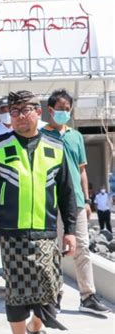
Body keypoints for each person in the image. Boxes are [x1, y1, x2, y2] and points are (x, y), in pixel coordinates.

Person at [0, 90, 77, 334]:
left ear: (39, 112)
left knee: (51, 292)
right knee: (17, 294)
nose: (21, 116)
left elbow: (67, 192)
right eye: (15, 111)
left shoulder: (56, 145)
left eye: (27, 110)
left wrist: (70, 230)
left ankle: (37, 327)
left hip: (46, 232)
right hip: (11, 233)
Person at [42, 89, 108, 315]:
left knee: (82, 248)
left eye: (66, 108)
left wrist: (87, 200)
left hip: (77, 202)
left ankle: (87, 296)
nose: (63, 112)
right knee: (52, 250)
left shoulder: (76, 136)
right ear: (50, 110)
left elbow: (82, 171)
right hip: (51, 201)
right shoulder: (42, 136)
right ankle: (54, 295)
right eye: (59, 109)